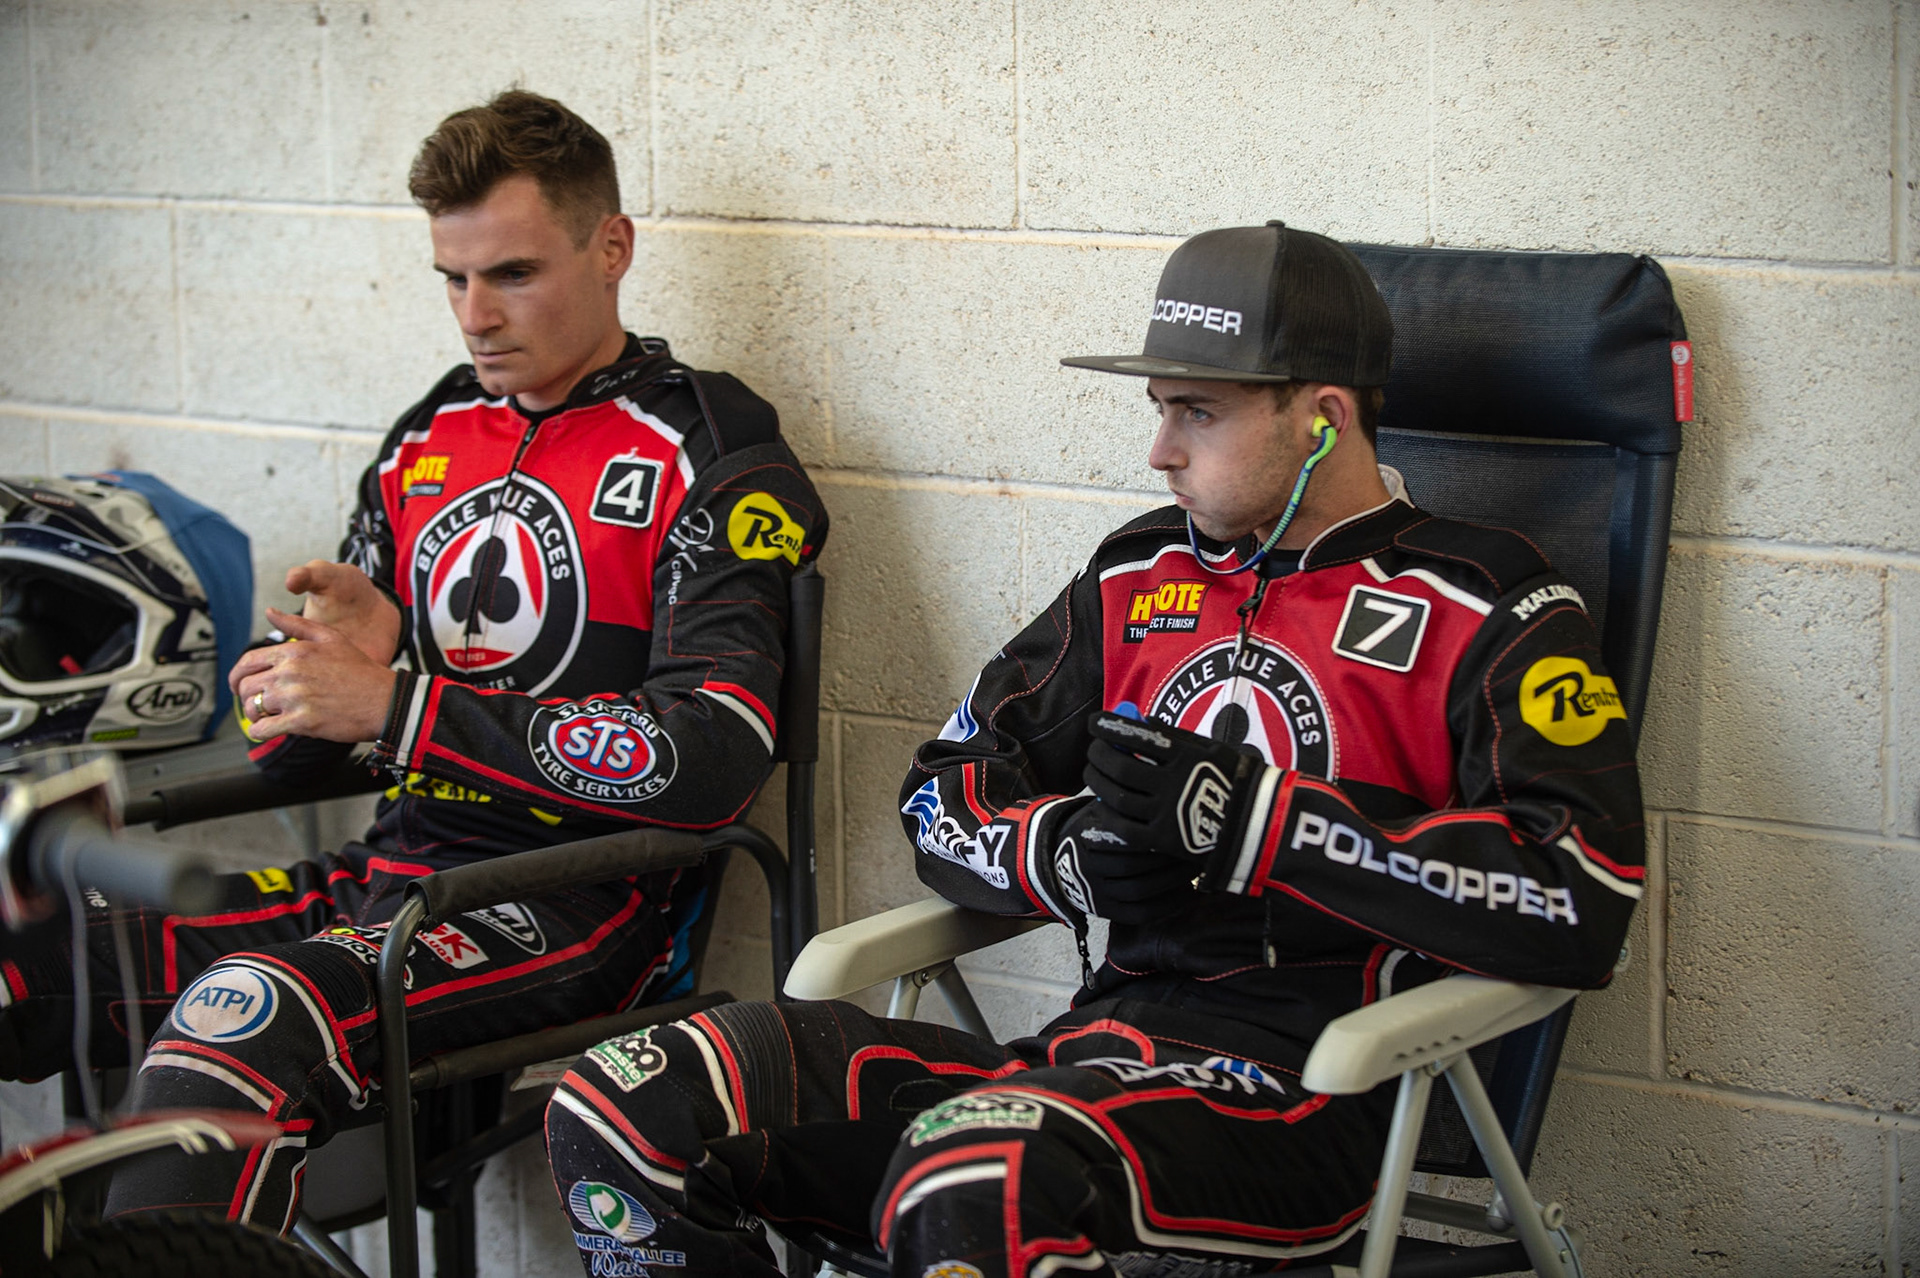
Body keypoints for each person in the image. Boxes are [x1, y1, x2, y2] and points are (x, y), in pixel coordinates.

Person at [542, 222, 1643, 1276]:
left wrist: (1264, 824)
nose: (1158, 451)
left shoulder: (1492, 598)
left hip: (1302, 1097)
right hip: (1076, 1073)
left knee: (970, 1175)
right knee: (625, 1098)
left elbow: (1583, 896)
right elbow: (940, 792)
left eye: (1196, 413)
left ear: (1322, 417)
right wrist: (1064, 851)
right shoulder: (1137, 576)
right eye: (1159, 407)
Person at [0, 89, 825, 1233]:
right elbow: (296, 757)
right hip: (383, 887)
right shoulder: (428, 439)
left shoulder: (718, 454)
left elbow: (714, 763)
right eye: (453, 278)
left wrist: (399, 705)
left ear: (612, 247)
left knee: (240, 1021)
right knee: (13, 941)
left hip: (581, 910)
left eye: (514, 274)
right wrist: (297, 695)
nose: (475, 316)